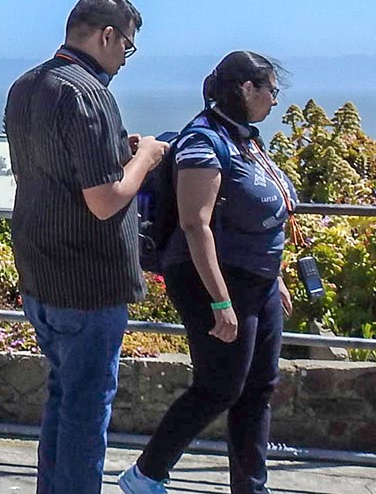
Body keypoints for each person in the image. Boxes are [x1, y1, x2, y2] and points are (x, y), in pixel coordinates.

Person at [3, 0, 170, 494]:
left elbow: (54, 170)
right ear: (107, 35)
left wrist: (120, 150)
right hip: (88, 283)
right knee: (85, 412)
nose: (125, 58)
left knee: (62, 398)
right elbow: (104, 200)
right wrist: (147, 158)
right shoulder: (89, 94)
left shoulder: (25, 86)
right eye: (128, 47)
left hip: (39, 271)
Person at [118, 51, 296, 494]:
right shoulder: (203, 141)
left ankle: (251, 487)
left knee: (258, 387)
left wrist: (274, 276)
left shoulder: (246, 140)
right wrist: (220, 301)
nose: (275, 101)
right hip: (214, 281)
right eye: (271, 90)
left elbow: (252, 217)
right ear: (246, 89)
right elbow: (195, 223)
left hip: (257, 280)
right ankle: (146, 474)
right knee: (220, 386)